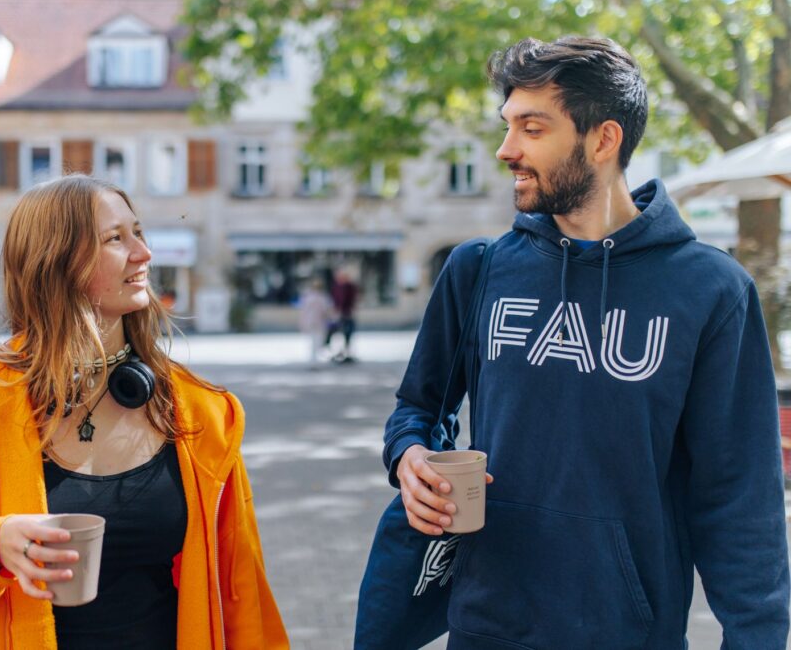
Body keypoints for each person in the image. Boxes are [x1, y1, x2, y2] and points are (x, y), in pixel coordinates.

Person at [383, 36, 790, 648]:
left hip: (627, 633)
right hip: (483, 625)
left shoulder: (710, 290)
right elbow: (417, 409)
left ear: (603, 140)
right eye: (507, 125)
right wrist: (409, 458)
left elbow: (739, 496)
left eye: (532, 127)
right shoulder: (479, 270)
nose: (506, 149)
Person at [0, 175, 288, 650]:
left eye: (139, 233)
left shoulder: (200, 412)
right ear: (57, 263)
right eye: (116, 239)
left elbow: (242, 592)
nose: (143, 253)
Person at [298, 276, 335, 369]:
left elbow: (303, 312)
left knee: (313, 343)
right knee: (317, 342)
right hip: (318, 323)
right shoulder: (322, 298)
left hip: (312, 323)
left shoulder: (308, 297)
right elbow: (327, 310)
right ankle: (314, 361)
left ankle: (313, 361)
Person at [326, 267, 359, 362]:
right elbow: (334, 300)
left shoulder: (350, 287)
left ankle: (346, 353)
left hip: (347, 314)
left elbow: (352, 300)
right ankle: (337, 352)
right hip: (338, 314)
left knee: (347, 333)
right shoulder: (336, 287)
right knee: (336, 334)